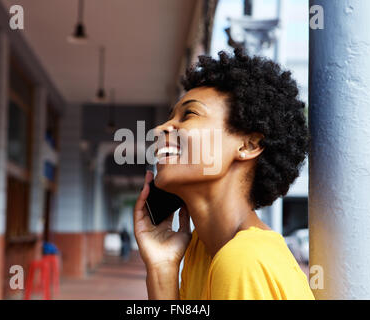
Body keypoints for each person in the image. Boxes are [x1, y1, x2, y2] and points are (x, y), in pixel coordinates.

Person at [133, 48, 315, 300]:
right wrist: (161, 267)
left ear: (248, 145)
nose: (159, 129)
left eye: (189, 114)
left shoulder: (243, 261)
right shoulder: (201, 250)